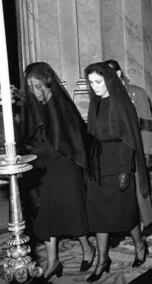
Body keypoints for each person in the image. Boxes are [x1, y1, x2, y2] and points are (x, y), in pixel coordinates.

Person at [19, 62, 95, 280]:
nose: (35, 91)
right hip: (43, 169)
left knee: (72, 212)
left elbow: (69, 141)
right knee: (45, 215)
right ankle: (53, 262)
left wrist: (37, 152)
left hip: (65, 168)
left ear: (47, 83)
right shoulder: (35, 105)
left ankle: (87, 248)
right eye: (31, 86)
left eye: (37, 85)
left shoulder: (62, 104)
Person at [85, 62, 149, 282]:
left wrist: (124, 170)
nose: (94, 86)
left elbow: (129, 140)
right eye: (91, 82)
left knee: (123, 212)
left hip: (118, 164)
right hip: (98, 165)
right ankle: (102, 260)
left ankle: (140, 245)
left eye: (98, 82)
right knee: (98, 213)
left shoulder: (121, 103)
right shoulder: (96, 103)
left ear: (109, 80)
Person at [105, 59, 152, 237]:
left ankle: (148, 220)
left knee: (139, 184)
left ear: (118, 74)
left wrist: (148, 150)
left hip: (137, 146)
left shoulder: (136, 93)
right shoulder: (105, 97)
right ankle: (127, 222)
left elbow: (148, 124)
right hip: (115, 150)